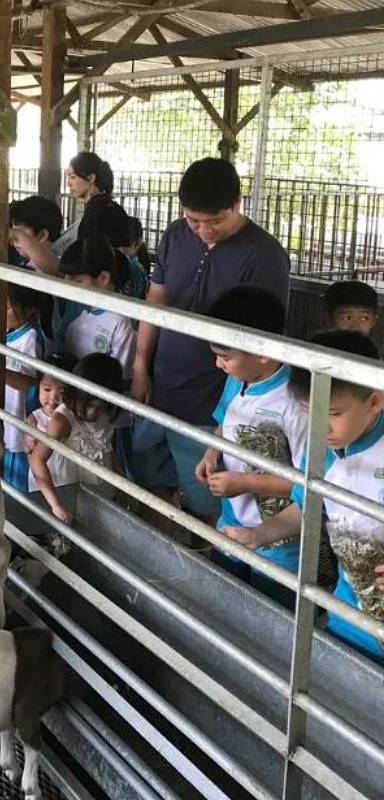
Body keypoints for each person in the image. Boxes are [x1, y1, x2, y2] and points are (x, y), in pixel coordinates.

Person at [130, 157, 290, 524]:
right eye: (193, 220)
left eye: (215, 221)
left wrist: (231, 410)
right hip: (161, 384)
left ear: (237, 203)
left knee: (206, 498)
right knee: (149, 480)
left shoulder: (265, 256)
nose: (203, 231)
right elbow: (156, 300)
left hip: (212, 401)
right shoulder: (174, 235)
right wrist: (141, 364)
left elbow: (261, 341)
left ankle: (198, 553)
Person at [224, 330, 384, 662]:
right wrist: (258, 534)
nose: (320, 427)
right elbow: (306, 506)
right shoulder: (322, 447)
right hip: (348, 612)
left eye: (333, 413)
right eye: (311, 412)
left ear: (374, 401)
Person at [194, 287, 307, 607]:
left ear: (263, 353)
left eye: (225, 356)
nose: (218, 364)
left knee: (269, 614)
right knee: (224, 603)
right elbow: (224, 422)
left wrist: (244, 482)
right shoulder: (238, 379)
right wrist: (212, 452)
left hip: (279, 540)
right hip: (231, 521)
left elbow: (307, 485)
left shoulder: (295, 403)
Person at [29, 353, 123, 525]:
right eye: (90, 405)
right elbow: (37, 459)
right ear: (76, 393)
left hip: (98, 495)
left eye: (101, 406)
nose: (93, 412)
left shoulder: (103, 417)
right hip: (66, 497)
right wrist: (55, 504)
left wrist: (122, 488)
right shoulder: (63, 420)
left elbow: (107, 450)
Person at [55, 236, 135, 375]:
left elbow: (122, 376)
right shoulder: (75, 303)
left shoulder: (121, 320)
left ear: (103, 278)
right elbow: (61, 342)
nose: (68, 287)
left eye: (77, 281)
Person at [3, 285, 46, 492]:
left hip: (20, 424)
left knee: (18, 487)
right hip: (8, 418)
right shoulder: (9, 332)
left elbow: (27, 382)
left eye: (7, 308)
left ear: (29, 310)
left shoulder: (30, 337)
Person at [8, 195, 64, 271]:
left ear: (42, 235)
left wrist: (19, 235)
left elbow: (56, 271)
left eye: (21, 233)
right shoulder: (28, 263)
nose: (13, 242)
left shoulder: (62, 262)